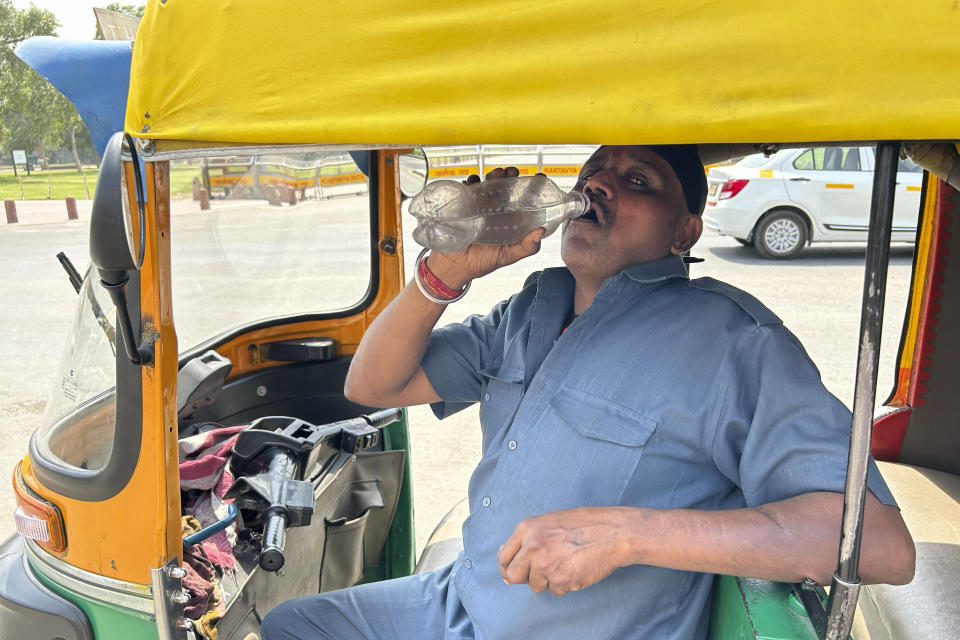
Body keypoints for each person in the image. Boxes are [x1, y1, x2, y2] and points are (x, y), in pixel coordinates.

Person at [261, 145, 915, 640]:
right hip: (459, 601)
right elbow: (373, 383)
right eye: (595, 171)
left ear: (685, 232)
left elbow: (881, 543)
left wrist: (629, 534)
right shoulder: (531, 307)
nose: (598, 184)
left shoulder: (734, 342)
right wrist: (440, 277)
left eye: (637, 181)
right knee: (292, 625)